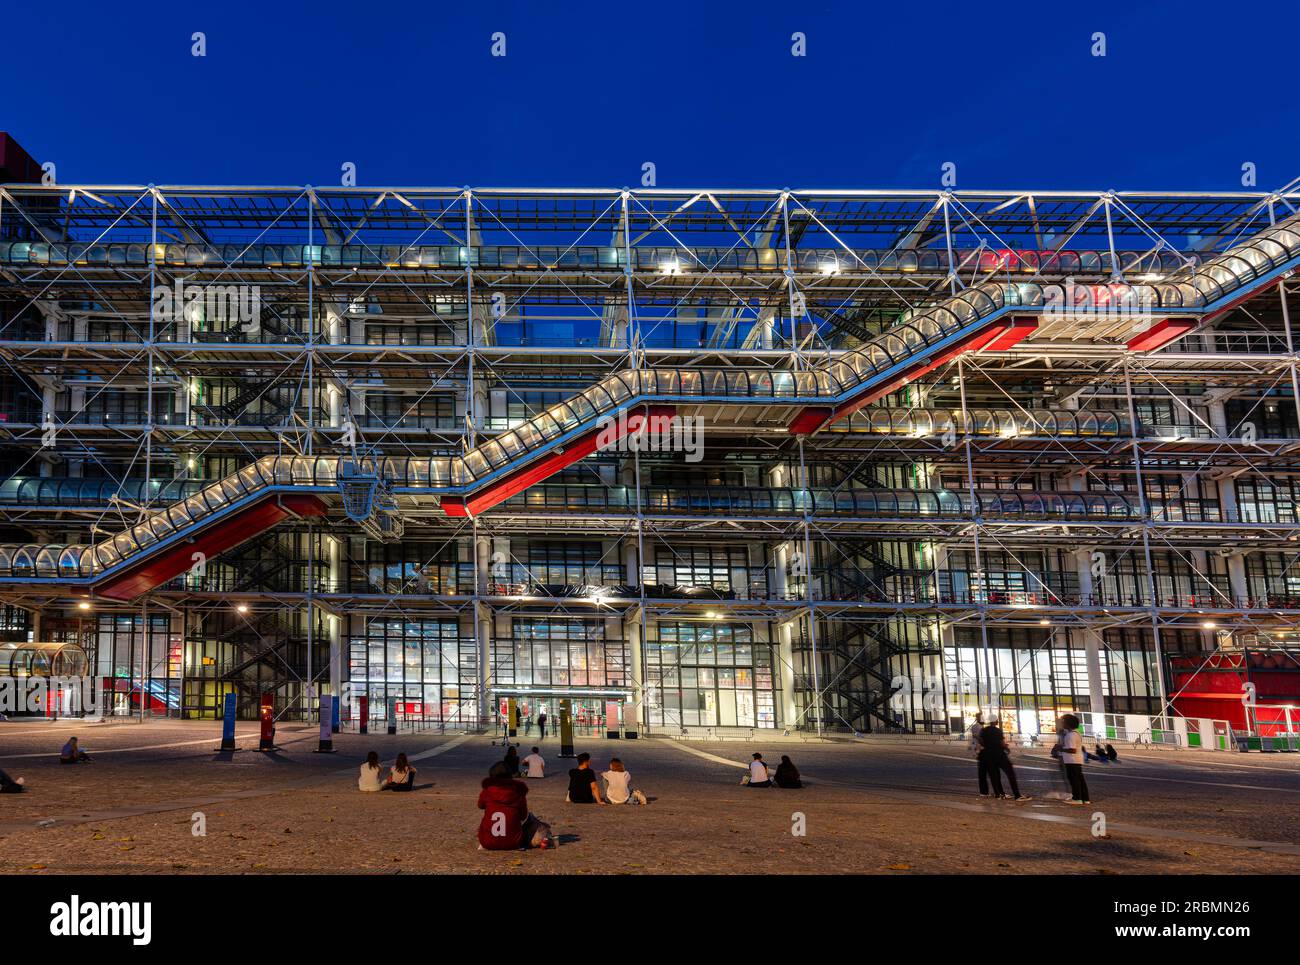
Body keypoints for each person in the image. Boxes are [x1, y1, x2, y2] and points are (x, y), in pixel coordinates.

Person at [477, 762, 543, 850]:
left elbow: (480, 805)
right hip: (513, 842)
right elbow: (523, 815)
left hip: (487, 842)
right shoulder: (518, 792)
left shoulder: (487, 791)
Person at [978, 721, 1030, 801]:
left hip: (989, 755)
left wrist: (987, 745)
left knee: (995, 776)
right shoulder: (997, 730)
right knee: (1010, 774)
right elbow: (1001, 742)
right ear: (995, 721)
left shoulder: (984, 730)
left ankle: (999, 794)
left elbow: (980, 741)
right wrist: (1006, 747)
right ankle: (1017, 795)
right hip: (999, 754)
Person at [1056, 714, 1091, 805]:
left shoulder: (1070, 735)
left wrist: (1061, 748)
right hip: (1076, 760)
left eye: (1063, 721)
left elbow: (1072, 749)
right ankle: (1085, 798)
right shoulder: (1076, 733)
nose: (1062, 723)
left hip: (1072, 760)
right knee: (1080, 780)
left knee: (1074, 780)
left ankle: (1077, 799)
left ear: (1068, 723)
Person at [970, 715, 990, 796]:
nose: (984, 720)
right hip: (982, 750)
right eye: (983, 718)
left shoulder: (975, 726)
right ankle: (993, 792)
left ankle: (983, 792)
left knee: (982, 772)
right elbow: (980, 738)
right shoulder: (980, 728)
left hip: (977, 750)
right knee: (989, 772)